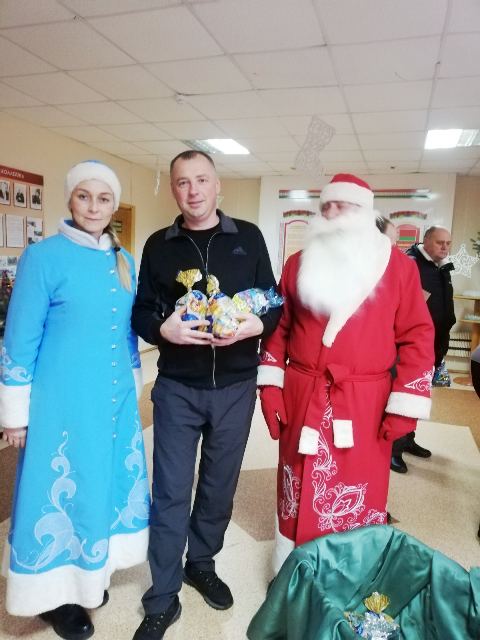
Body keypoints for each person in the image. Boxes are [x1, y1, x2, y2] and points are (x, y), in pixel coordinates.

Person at [131, 150, 281, 639]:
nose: (192, 190)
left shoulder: (248, 238)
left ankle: (202, 563)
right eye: (182, 182)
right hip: (177, 388)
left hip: (236, 386)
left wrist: (257, 325)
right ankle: (162, 596)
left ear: (218, 186)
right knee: (171, 492)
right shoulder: (158, 245)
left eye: (201, 180)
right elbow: (141, 311)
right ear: (173, 190)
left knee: (219, 485)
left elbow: (273, 300)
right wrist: (163, 330)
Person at [0, 161, 149, 640]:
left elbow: (127, 334)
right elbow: (19, 340)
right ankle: (54, 596)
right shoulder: (43, 257)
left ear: (113, 206)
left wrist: (133, 386)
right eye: (84, 196)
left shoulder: (124, 260)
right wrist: (14, 415)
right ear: (70, 199)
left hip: (113, 400)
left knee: (99, 486)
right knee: (59, 489)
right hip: (60, 405)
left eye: (104, 199)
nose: (94, 207)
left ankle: (90, 576)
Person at [258, 173, 434, 575]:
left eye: (345, 206)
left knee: (357, 485)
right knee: (296, 482)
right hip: (303, 394)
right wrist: (270, 387)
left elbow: (418, 336)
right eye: (327, 206)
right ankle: (292, 572)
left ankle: (348, 575)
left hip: (364, 404)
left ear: (366, 213)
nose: (333, 213)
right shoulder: (297, 263)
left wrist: (405, 406)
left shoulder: (398, 268)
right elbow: (279, 329)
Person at [391, 226, 456, 473]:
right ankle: (393, 449)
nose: (445, 247)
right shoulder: (411, 265)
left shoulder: (441, 268)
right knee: (405, 395)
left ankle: (408, 440)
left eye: (448, 243)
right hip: (413, 347)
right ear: (426, 241)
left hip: (435, 344)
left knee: (419, 395)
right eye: (440, 242)